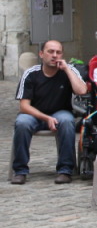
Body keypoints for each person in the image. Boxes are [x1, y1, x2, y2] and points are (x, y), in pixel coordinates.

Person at [11, 39, 88, 184]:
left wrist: (67, 70)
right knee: (21, 123)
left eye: (58, 52)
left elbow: (82, 91)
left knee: (67, 121)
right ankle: (20, 171)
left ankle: (65, 170)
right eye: (50, 52)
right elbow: (24, 106)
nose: (54, 55)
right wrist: (46, 118)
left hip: (60, 113)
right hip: (33, 114)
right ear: (41, 54)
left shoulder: (69, 71)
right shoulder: (31, 74)